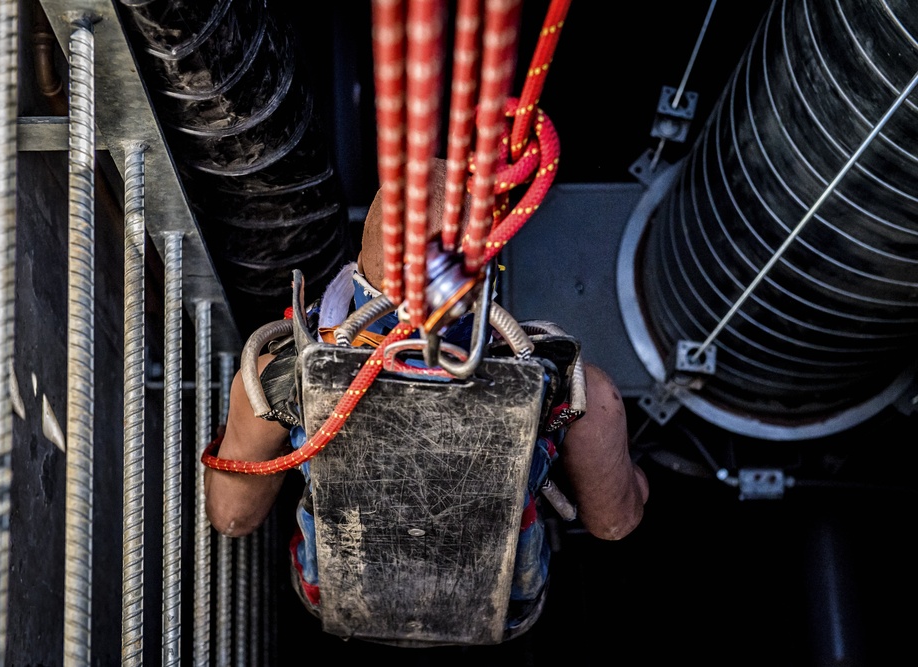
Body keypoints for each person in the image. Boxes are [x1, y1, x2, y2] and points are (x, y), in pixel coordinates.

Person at [203, 158, 650, 639]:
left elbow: (232, 517)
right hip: (504, 611)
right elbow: (614, 524)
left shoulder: (282, 374)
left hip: (333, 600)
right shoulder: (573, 385)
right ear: (488, 275)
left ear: (361, 271)